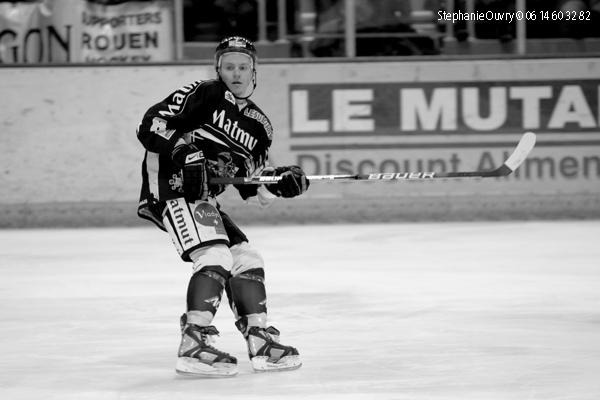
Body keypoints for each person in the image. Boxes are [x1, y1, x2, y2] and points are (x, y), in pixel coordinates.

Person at [135, 36, 310, 377]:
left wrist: (282, 183)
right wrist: (183, 151)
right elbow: (149, 125)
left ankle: (260, 340)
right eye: (229, 67)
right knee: (215, 255)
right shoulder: (205, 93)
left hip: (203, 199)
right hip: (170, 188)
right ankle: (193, 342)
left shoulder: (260, 127)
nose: (236, 73)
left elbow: (252, 184)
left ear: (254, 72)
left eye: (243, 67)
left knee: (246, 258)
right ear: (218, 70)